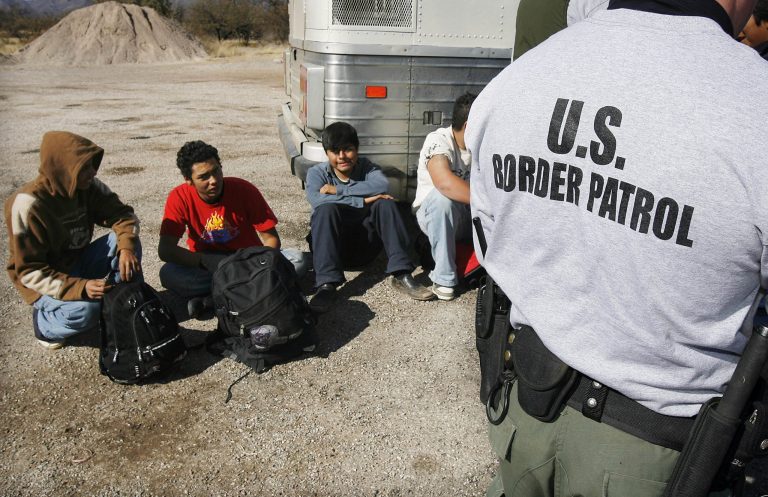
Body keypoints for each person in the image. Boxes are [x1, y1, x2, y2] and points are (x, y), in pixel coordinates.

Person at [467, 0, 768, 495]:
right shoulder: (755, 99)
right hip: (658, 454)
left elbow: (493, 243)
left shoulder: (515, 82)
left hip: (522, 413)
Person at [4, 131, 142, 349]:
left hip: (77, 262)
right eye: (84, 167)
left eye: (92, 165)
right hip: (44, 279)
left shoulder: (89, 186)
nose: (93, 172)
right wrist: (81, 287)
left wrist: (126, 249)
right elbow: (28, 271)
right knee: (86, 312)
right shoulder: (26, 205)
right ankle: (45, 325)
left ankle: (126, 304)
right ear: (62, 169)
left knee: (124, 241)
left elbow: (124, 215)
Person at [158, 140, 308, 317]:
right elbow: (166, 250)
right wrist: (203, 261)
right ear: (188, 180)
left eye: (216, 171)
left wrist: (258, 263)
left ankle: (215, 301)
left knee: (298, 260)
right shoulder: (179, 197)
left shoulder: (244, 189)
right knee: (168, 274)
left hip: (249, 262)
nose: (213, 180)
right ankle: (251, 293)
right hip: (209, 266)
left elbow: (271, 239)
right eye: (204, 177)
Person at [305, 121, 434, 312]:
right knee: (326, 210)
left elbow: (381, 186)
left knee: (385, 203)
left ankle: (402, 274)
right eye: (335, 151)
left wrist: (337, 190)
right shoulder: (317, 174)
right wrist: (363, 201)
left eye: (347, 149)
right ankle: (327, 285)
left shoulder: (367, 168)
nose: (342, 157)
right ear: (327, 154)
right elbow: (318, 201)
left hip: (366, 247)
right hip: (335, 249)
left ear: (357, 150)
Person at [412, 92, 476, 301]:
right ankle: (444, 278)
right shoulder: (438, 140)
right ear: (468, 126)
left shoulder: (484, 146)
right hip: (436, 216)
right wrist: (489, 202)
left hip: (471, 216)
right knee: (443, 199)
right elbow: (444, 183)